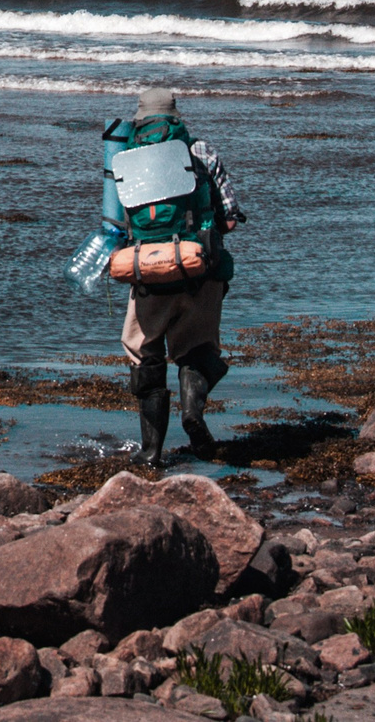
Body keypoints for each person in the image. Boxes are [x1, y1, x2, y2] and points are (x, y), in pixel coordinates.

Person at [105, 85, 244, 464]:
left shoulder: (123, 157)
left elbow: (115, 224)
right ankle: (192, 413)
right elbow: (230, 218)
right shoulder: (201, 151)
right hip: (200, 270)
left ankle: (151, 452)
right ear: (176, 116)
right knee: (198, 351)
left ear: (140, 118)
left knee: (144, 355)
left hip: (148, 274)